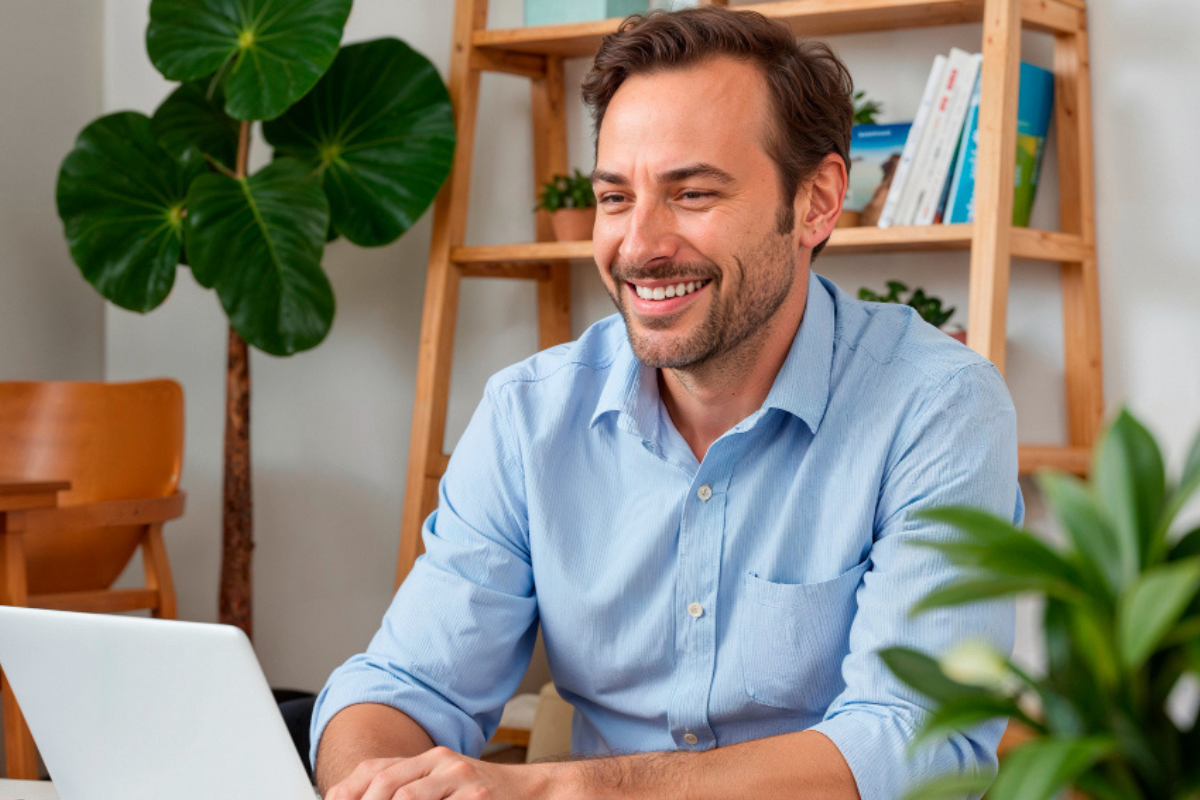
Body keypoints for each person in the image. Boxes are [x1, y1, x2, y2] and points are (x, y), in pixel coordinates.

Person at [312, 8, 1021, 800]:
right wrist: (370, 785)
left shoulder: (935, 407)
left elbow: (914, 739)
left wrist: (565, 790)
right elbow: (406, 685)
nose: (640, 244)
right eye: (615, 197)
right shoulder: (528, 416)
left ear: (816, 202)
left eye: (692, 192)